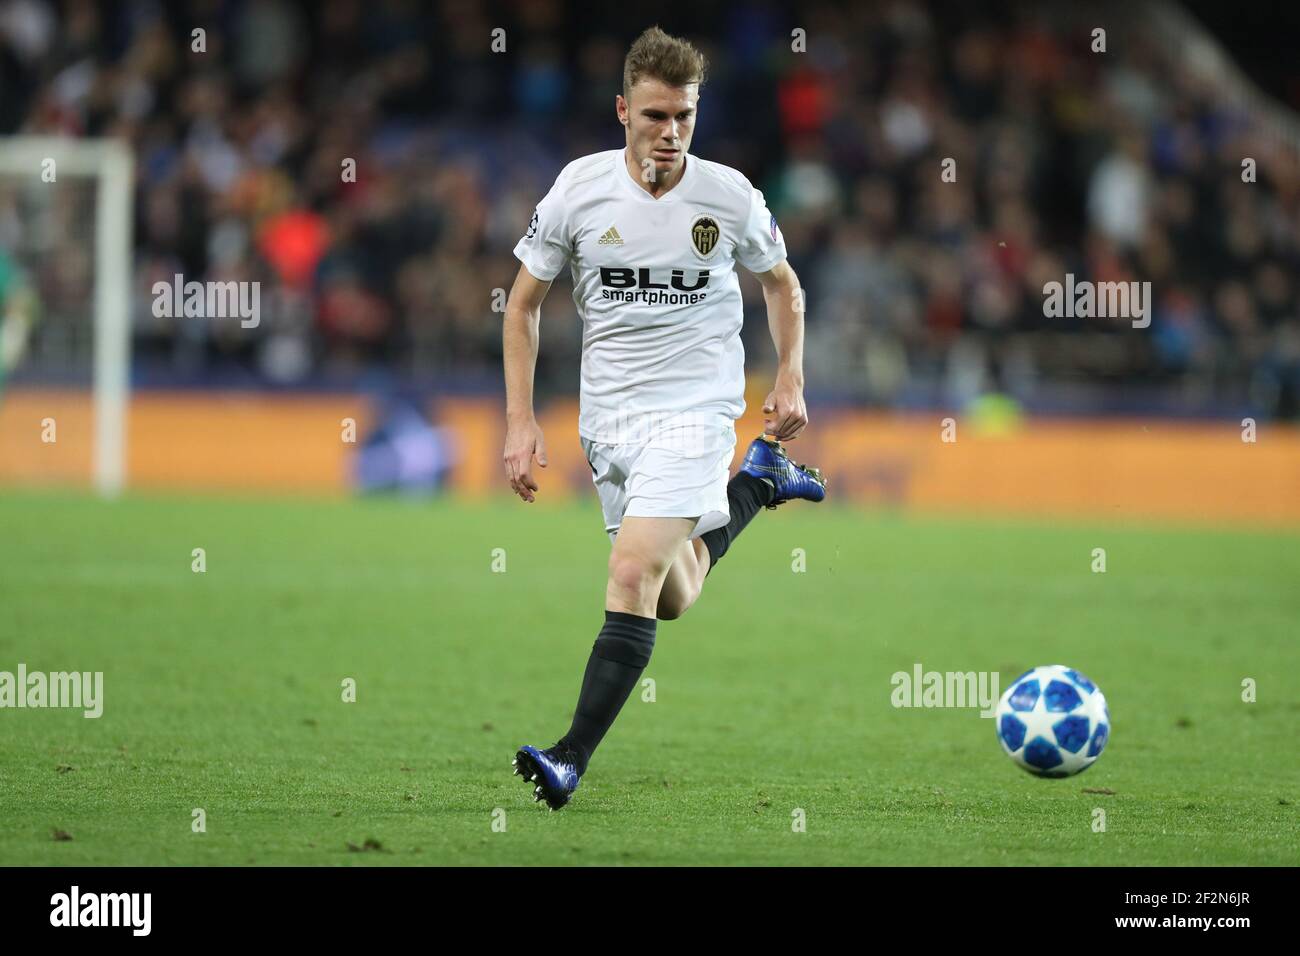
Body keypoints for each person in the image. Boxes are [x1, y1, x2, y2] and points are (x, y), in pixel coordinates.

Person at [502, 26, 826, 810]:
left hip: (696, 409)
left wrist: (789, 373)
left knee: (629, 574)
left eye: (683, 116)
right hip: (609, 418)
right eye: (654, 115)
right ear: (622, 111)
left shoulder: (729, 195)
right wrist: (519, 419)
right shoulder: (578, 191)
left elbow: (783, 286)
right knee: (672, 591)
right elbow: (522, 306)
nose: (670, 132)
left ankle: (570, 756)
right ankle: (759, 481)